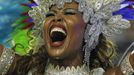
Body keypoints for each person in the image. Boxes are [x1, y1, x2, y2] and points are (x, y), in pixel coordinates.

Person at [0, 0, 133, 75]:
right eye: (49, 14)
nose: (56, 18)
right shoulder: (23, 70)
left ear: (89, 30)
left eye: (69, 13)